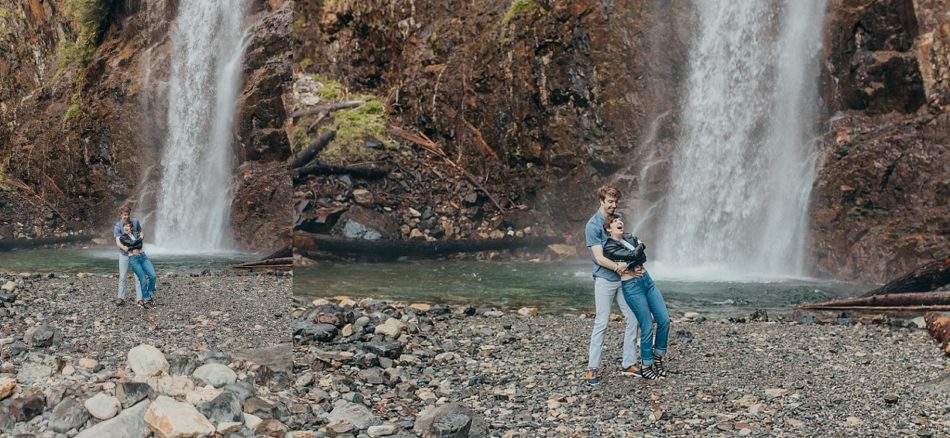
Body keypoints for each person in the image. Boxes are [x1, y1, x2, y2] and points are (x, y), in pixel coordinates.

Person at [584, 185, 641, 385]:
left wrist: (634, 265)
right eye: (609, 202)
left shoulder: (618, 217)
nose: (613, 205)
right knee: (602, 322)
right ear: (601, 201)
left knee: (633, 318)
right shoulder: (593, 225)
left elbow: (623, 244)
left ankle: (629, 363)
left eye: (615, 202)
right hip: (605, 280)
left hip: (624, 279)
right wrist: (620, 267)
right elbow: (599, 258)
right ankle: (592, 368)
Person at [603, 213, 670, 380]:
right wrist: (638, 250)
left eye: (620, 220)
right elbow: (637, 253)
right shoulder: (609, 247)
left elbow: (643, 257)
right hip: (632, 287)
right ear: (608, 229)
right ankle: (646, 365)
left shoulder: (630, 238)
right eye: (614, 221)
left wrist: (627, 264)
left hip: (647, 281)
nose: (619, 222)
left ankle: (657, 357)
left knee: (664, 320)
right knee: (647, 325)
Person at [118, 220, 156, 308]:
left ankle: (149, 294)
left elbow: (138, 246)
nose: (126, 227)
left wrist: (132, 246)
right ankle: (147, 299)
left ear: (131, 228)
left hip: (143, 257)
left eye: (128, 226)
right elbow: (131, 244)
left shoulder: (135, 235)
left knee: (153, 275)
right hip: (134, 260)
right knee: (142, 279)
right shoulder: (122, 237)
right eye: (124, 226)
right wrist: (140, 239)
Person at [113, 206, 142, 307]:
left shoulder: (135, 221)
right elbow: (118, 242)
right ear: (121, 215)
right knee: (122, 276)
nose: (126, 216)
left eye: (128, 214)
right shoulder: (118, 226)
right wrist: (124, 247)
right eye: (124, 215)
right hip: (124, 254)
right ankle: (121, 298)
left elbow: (140, 232)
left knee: (138, 276)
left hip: (135, 254)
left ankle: (139, 299)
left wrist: (141, 239)